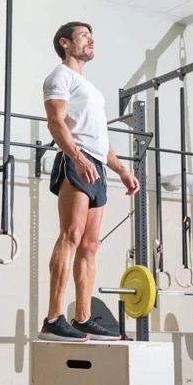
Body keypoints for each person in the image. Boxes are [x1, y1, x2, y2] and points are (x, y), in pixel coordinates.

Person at [39, 22, 140, 342]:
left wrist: (122, 170)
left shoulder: (91, 89)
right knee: (71, 235)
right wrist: (78, 158)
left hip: (97, 166)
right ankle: (54, 318)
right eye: (84, 36)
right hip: (76, 160)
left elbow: (100, 138)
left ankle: (82, 317)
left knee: (91, 246)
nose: (90, 40)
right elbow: (56, 122)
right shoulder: (60, 77)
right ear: (65, 43)